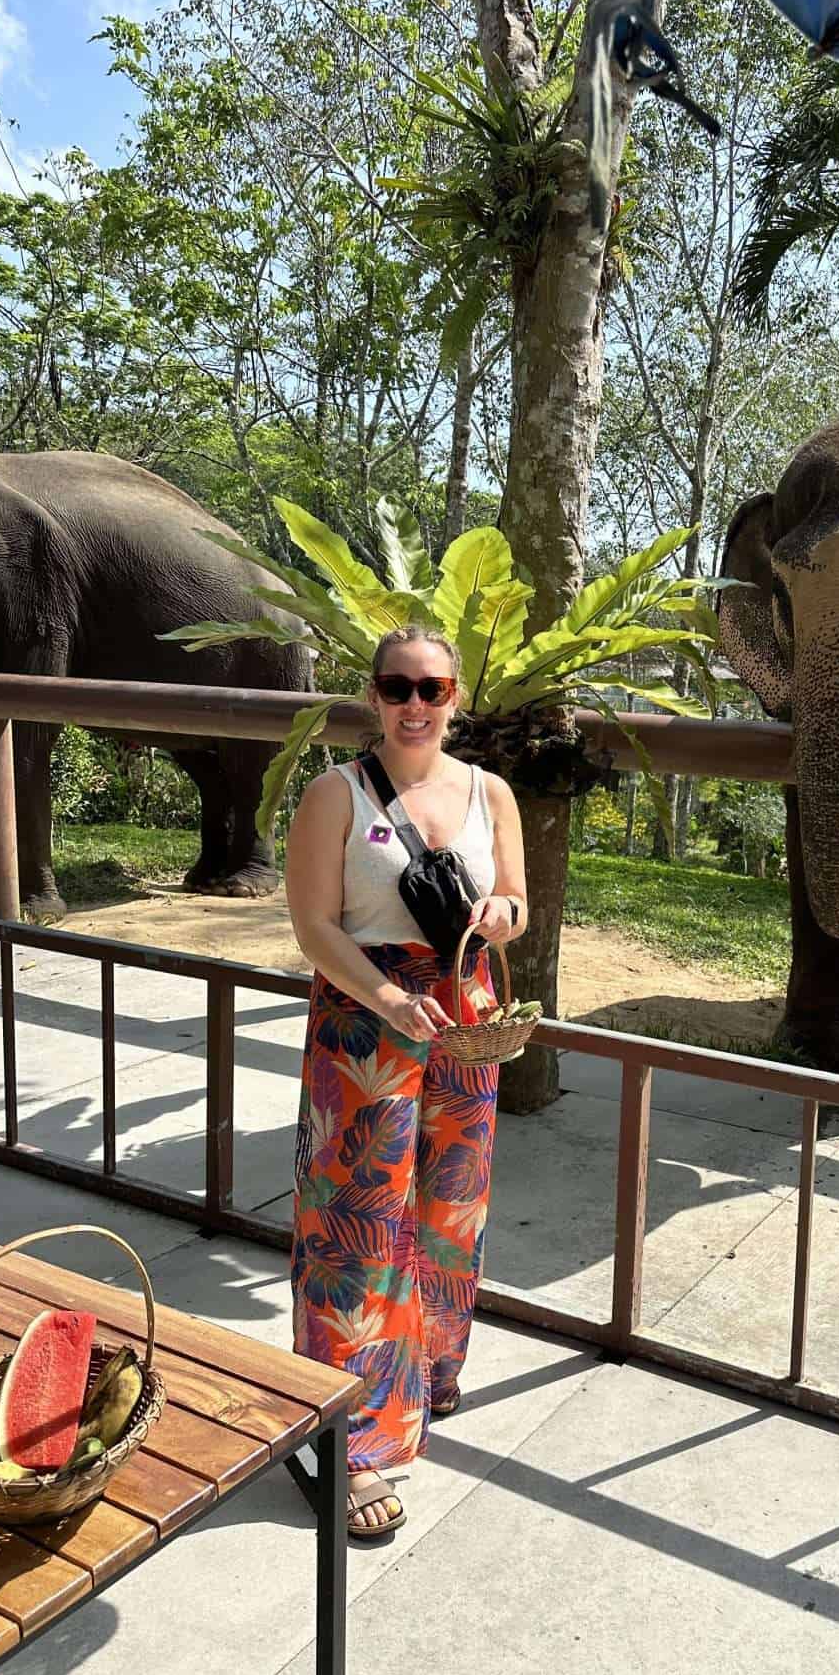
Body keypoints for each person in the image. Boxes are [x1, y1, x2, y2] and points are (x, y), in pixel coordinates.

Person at [286, 624, 527, 1538]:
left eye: (433, 689)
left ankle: (428, 1373)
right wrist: (388, 998)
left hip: (465, 1020)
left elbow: (517, 903)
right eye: (397, 688)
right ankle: (356, 1437)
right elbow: (314, 928)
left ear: (457, 695)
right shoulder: (333, 795)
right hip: (364, 1021)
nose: (415, 706)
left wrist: (502, 913)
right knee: (355, 1217)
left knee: (449, 1208)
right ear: (373, 694)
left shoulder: (489, 792)